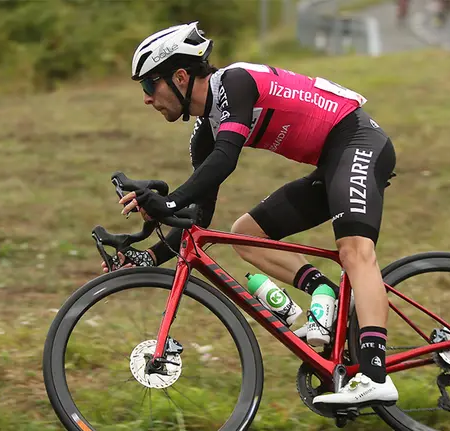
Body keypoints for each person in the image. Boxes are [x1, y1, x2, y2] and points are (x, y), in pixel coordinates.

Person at [103, 21, 398, 407]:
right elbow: (200, 217)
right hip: (331, 163)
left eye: (148, 85)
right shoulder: (205, 134)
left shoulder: (236, 83)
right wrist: (148, 256)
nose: (145, 98)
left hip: (357, 140)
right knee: (246, 233)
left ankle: (376, 375)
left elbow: (227, 159)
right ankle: (325, 293)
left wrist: (168, 202)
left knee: (355, 250)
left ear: (179, 76)